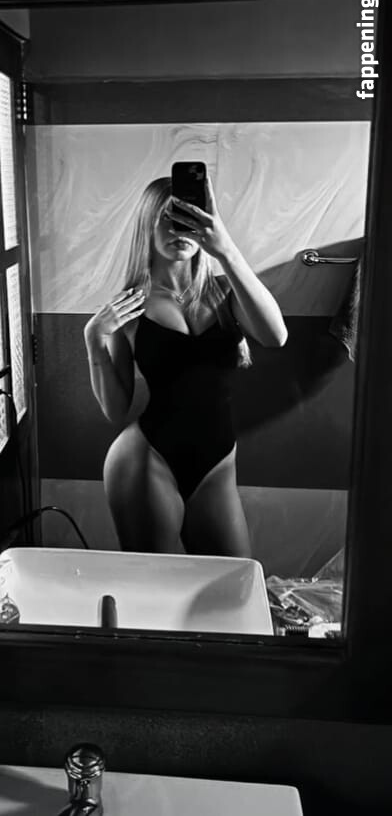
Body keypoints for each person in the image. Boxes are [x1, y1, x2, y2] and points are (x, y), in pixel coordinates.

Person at [84, 173, 288, 556]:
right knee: (154, 584)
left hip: (217, 465)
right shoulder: (130, 307)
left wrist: (225, 249)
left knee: (232, 580)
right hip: (147, 461)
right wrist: (94, 339)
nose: (178, 230)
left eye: (187, 218)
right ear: (147, 225)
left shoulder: (226, 292)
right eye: (166, 218)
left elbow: (276, 336)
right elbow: (116, 410)